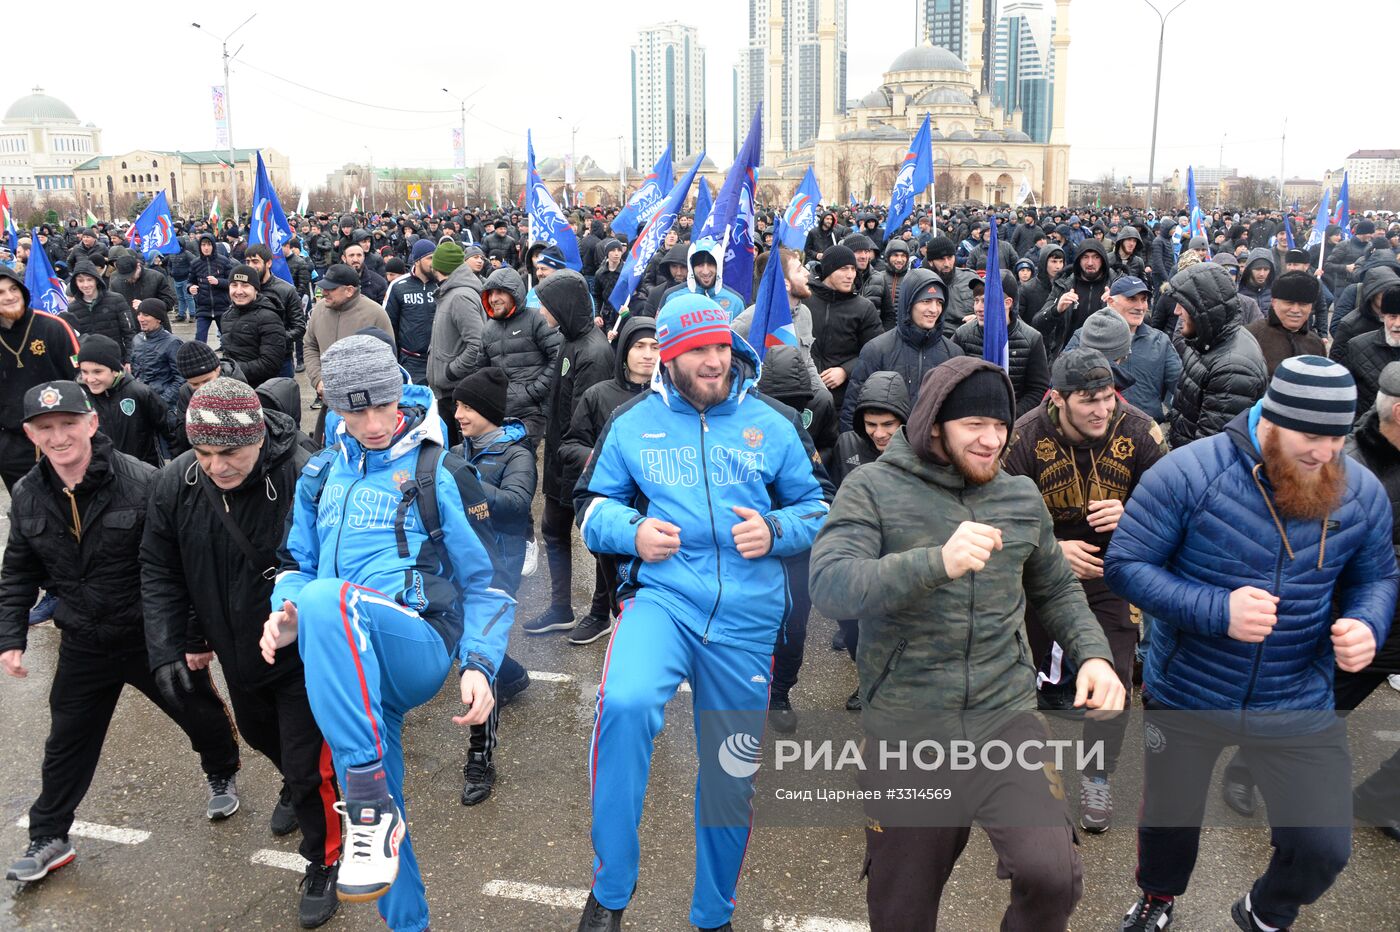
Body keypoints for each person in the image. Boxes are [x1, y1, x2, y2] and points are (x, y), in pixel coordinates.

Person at [808, 356, 1124, 932]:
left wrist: (1095, 655)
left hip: (1005, 718)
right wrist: (936, 562)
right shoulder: (872, 487)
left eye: (1001, 426)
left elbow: (1055, 589)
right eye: (974, 424)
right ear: (934, 425)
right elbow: (830, 584)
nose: (992, 440)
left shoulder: (1020, 496)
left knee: (1053, 874)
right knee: (901, 909)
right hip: (910, 725)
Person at [1106, 356, 1397, 932]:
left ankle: (1266, 911)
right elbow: (1126, 565)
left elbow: (1378, 577)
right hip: (1188, 688)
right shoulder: (1187, 472)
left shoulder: (1358, 490)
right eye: (1309, 437)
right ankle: (1158, 899)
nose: (1324, 453)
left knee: (1324, 846)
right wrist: (1219, 610)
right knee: (1169, 817)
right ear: (1270, 420)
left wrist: (1367, 624)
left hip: (1297, 696)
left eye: (1337, 438)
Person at [572, 293, 831, 931]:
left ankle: (713, 913)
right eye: (698, 350)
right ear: (668, 354)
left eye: (721, 347)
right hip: (663, 599)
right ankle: (610, 890)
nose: (714, 361)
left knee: (729, 776)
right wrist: (631, 532)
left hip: (747, 619)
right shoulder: (632, 422)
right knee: (625, 705)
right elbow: (590, 505)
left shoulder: (773, 422)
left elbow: (818, 507)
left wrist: (776, 530)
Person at [259, 335, 513, 931]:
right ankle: (409, 918)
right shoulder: (319, 472)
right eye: (356, 409)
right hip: (351, 671)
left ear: (401, 393)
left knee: (330, 598)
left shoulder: (438, 468)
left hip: (416, 644)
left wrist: (479, 664)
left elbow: (490, 581)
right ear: (333, 406)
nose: (373, 423)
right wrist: (284, 611)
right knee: (379, 824)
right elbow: (298, 563)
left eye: (384, 406)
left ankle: (368, 809)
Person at [1, 381, 242, 884]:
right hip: (85, 640)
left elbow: (184, 566)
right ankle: (49, 835)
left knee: (197, 712)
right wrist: (11, 637)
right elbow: (18, 570)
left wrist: (192, 637)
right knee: (66, 741)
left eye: (69, 424)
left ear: (92, 423)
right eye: (46, 428)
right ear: (30, 434)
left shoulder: (144, 483)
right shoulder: (26, 496)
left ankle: (222, 768)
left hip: (150, 636)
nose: (59, 436)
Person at [141, 378, 342, 929]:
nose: (215, 466)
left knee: (309, 767)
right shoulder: (176, 481)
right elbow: (163, 566)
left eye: (229, 452)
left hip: (304, 652)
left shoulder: (306, 472)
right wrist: (176, 643)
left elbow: (335, 561)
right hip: (235, 649)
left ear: (256, 437)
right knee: (258, 737)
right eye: (204, 453)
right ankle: (298, 787)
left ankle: (324, 859)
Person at [1003, 348, 1166, 833]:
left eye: (1108, 397)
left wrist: (1134, 515)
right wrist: (1051, 547)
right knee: (1017, 675)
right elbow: (995, 516)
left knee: (1114, 678)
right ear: (1058, 398)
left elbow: (1177, 506)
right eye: (1089, 400)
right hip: (1034, 574)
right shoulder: (1023, 438)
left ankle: (1097, 775)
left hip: (1112, 574)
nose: (1102, 409)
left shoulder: (1140, 431)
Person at [450, 368, 535, 807]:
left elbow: (516, 507)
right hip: (460, 563)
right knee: (466, 647)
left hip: (499, 566)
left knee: (475, 655)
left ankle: (480, 757)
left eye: (466, 407)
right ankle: (514, 675)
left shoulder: (517, 455)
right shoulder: (457, 448)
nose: (457, 413)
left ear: (487, 411)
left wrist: (462, 481)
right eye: (457, 405)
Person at [558, 316, 658, 648]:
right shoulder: (599, 396)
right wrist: (602, 459)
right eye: (639, 346)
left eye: (655, 346)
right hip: (614, 503)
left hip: (656, 504)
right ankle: (602, 614)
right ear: (623, 351)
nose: (647, 354)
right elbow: (569, 444)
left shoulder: (673, 399)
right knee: (609, 561)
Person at [525, 270, 615, 638]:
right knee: (553, 529)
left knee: (597, 540)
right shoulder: (569, 339)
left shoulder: (594, 352)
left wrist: (569, 464)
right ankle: (561, 607)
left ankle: (600, 612)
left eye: (546, 305)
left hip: (580, 463)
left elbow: (584, 420)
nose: (543, 312)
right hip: (561, 459)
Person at [826, 371, 910, 679]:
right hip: (856, 556)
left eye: (888, 424)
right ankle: (867, 680)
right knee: (851, 628)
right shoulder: (847, 444)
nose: (879, 433)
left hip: (897, 557)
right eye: (871, 424)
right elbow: (834, 494)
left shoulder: (920, 451)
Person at [840, 267, 963, 430]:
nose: (934, 309)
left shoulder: (953, 355)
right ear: (908, 303)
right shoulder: (876, 350)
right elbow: (853, 409)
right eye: (926, 301)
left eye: (939, 302)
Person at [1165, 262, 1269, 449]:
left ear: (1203, 308)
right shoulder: (1205, 339)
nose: (1176, 312)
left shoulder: (1233, 369)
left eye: (1183, 305)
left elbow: (1211, 448)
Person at [0, 267, 80, 491]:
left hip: (60, 438)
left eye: (13, 288)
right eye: (1, 292)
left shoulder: (53, 327)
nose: (9, 297)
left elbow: (80, 381)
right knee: (29, 515)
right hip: (13, 446)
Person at [1065, 276, 1181, 420]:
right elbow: (1061, 384)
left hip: (1145, 432)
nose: (1140, 307)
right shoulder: (1084, 336)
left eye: (1144, 299)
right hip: (1097, 430)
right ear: (1111, 302)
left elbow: (1181, 389)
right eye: (1132, 299)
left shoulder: (1160, 341)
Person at [952, 270, 1051, 419]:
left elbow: (1037, 389)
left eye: (986, 301)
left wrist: (1009, 416)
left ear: (1008, 303)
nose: (978, 308)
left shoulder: (1032, 339)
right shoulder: (962, 335)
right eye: (976, 300)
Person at [481, 265, 562, 443]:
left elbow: (558, 357)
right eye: (491, 293)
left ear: (514, 293)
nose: (494, 298)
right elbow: (481, 370)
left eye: (500, 292)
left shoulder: (536, 319)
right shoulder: (487, 329)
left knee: (521, 457)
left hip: (531, 411)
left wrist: (533, 392)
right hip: (499, 411)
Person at [303, 264, 393, 418]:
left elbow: (388, 360)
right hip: (329, 403)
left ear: (349, 290)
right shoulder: (319, 310)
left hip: (366, 409)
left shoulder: (376, 314)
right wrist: (318, 379)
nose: (324, 293)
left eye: (330, 289)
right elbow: (310, 345)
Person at [76, 334, 177, 467]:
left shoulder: (139, 393)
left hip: (143, 473)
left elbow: (170, 430)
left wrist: (179, 467)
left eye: (97, 372)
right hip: (100, 474)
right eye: (85, 372)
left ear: (115, 370)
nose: (90, 379)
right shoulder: (79, 398)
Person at [425, 241, 487, 448]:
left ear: (438, 267)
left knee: (459, 452)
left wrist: (452, 371)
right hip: (447, 391)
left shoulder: (460, 296)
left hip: (456, 391)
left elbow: (477, 344)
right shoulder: (449, 292)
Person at [1032, 238, 1121, 360]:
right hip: (1068, 359)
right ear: (1078, 260)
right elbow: (1038, 324)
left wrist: (1119, 306)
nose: (1090, 262)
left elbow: (1137, 323)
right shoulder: (1064, 284)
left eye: (1096, 257)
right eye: (1085, 257)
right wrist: (1056, 310)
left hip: (1107, 359)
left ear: (1103, 260)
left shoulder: (1117, 284)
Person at [1245, 270, 1326, 377]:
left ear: (1311, 307)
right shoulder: (1251, 336)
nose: (1296, 310)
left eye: (1303, 304)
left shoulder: (1316, 344)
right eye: (1289, 303)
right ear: (1274, 302)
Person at [220, 265, 288, 389]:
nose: (239, 291)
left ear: (256, 289)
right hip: (232, 388)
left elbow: (270, 364)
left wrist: (231, 370)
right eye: (234, 285)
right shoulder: (227, 316)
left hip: (259, 391)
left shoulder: (269, 317)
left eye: (245, 285)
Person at [244, 244, 306, 380]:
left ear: (268, 263)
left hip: (280, 360)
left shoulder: (286, 290)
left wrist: (274, 339)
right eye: (247, 262)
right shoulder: (242, 291)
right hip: (250, 359)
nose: (250, 266)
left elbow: (299, 327)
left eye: (255, 262)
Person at [383, 239, 438, 384]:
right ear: (417, 260)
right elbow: (388, 325)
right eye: (430, 258)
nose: (435, 262)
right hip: (411, 361)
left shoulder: (443, 283)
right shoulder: (398, 285)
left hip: (440, 360)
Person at [1342, 286, 1400, 421]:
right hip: (1366, 433)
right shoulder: (1356, 347)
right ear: (1383, 316)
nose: (1398, 323)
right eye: (1393, 316)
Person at [61, 260, 135, 364]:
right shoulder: (73, 308)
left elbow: (129, 333)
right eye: (81, 281)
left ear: (96, 280)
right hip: (91, 364)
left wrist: (129, 360)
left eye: (89, 280)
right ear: (75, 283)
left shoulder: (116, 299)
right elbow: (75, 340)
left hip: (117, 360)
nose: (85, 285)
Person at [129, 298, 184, 411]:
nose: (141, 318)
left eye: (146, 315)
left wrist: (161, 401)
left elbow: (181, 379)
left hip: (164, 406)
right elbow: (135, 372)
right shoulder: (137, 339)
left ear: (158, 319)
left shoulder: (172, 343)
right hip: (141, 401)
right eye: (139, 314)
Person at [188, 233, 233, 344]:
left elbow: (232, 282)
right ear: (200, 247)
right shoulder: (195, 263)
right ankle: (201, 360)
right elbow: (190, 282)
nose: (206, 248)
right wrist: (190, 288)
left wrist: (218, 282)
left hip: (222, 307)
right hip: (203, 307)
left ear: (213, 245)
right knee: (199, 339)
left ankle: (230, 358)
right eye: (203, 245)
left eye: (208, 244)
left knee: (228, 339)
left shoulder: (224, 261)